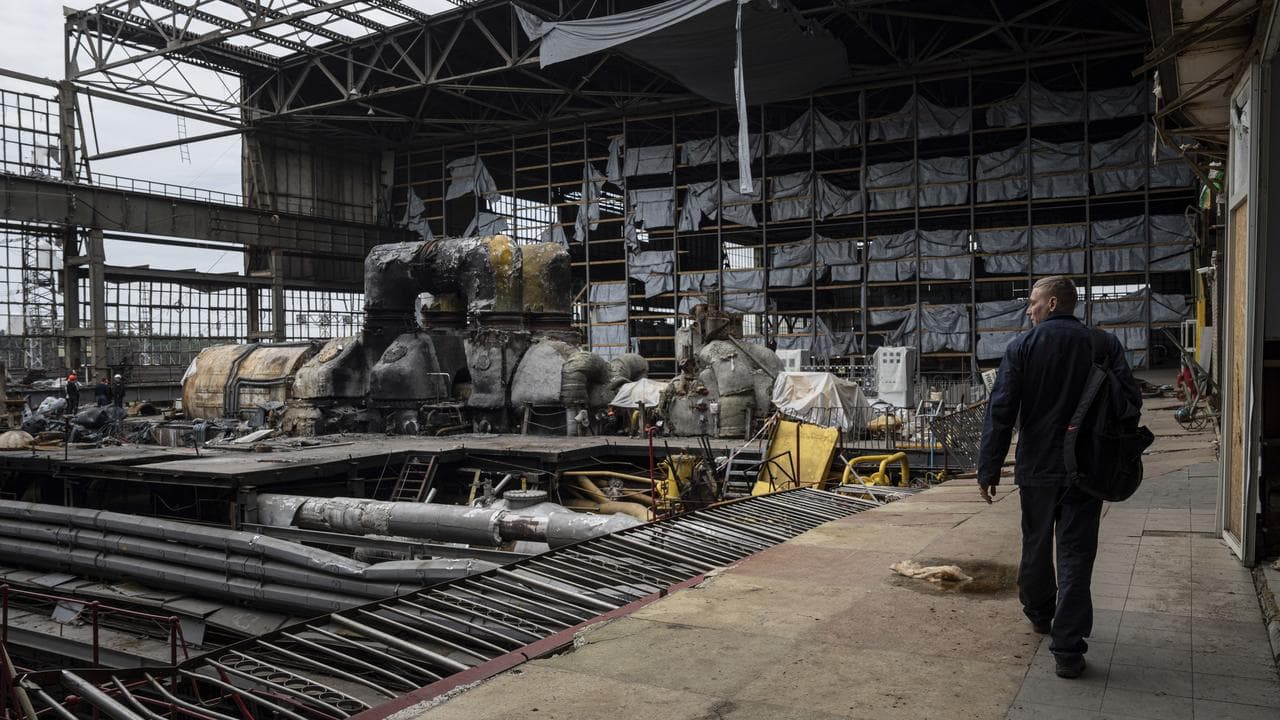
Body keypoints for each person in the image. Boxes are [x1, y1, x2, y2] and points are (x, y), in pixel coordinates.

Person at [977, 276, 1140, 680]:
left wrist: (989, 467)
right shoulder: (1103, 345)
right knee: (1077, 555)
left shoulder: (1022, 348)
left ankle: (1039, 612)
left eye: (1033, 302)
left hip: (1037, 469)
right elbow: (1130, 404)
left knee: (1035, 546)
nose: (1028, 309)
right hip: (1087, 469)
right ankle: (1068, 650)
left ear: (1052, 304)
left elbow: (1001, 412)